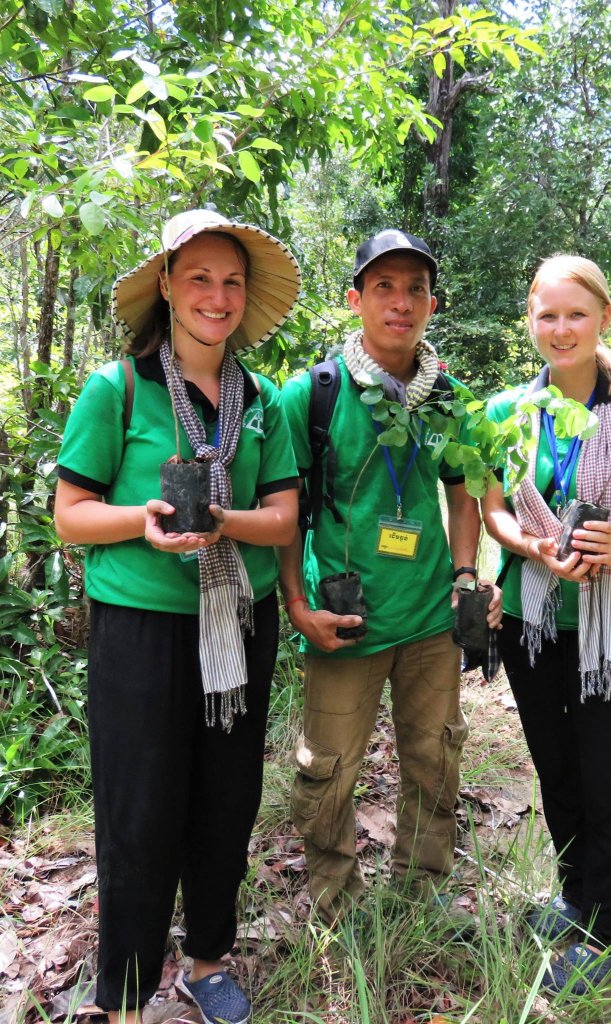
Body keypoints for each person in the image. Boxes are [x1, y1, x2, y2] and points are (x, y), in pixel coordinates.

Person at [54, 210, 301, 1024]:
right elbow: (72, 514)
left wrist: (224, 523)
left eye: (232, 281)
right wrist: (143, 519)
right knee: (139, 806)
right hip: (142, 629)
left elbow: (284, 517)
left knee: (225, 801)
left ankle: (207, 961)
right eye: (199, 277)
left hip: (238, 620)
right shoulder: (117, 388)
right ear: (166, 285)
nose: (216, 296)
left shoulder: (260, 401)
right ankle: (122, 992)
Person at [279, 229, 501, 924]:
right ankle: (335, 899)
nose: (400, 302)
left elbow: (465, 489)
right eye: (384, 287)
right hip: (345, 618)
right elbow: (283, 512)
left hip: (432, 612)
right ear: (355, 299)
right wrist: (296, 603)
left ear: (433, 304)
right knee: (329, 768)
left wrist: (467, 574)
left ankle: (423, 888)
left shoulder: (449, 397)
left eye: (415, 289)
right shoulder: (310, 395)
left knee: (436, 759)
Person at [482, 255, 611, 994]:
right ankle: (575, 897)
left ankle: (604, 931)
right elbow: (492, 511)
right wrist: (531, 545)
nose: (561, 329)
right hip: (534, 624)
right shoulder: (506, 413)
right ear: (529, 322)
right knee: (558, 769)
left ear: (603, 317)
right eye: (547, 315)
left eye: (576, 313)